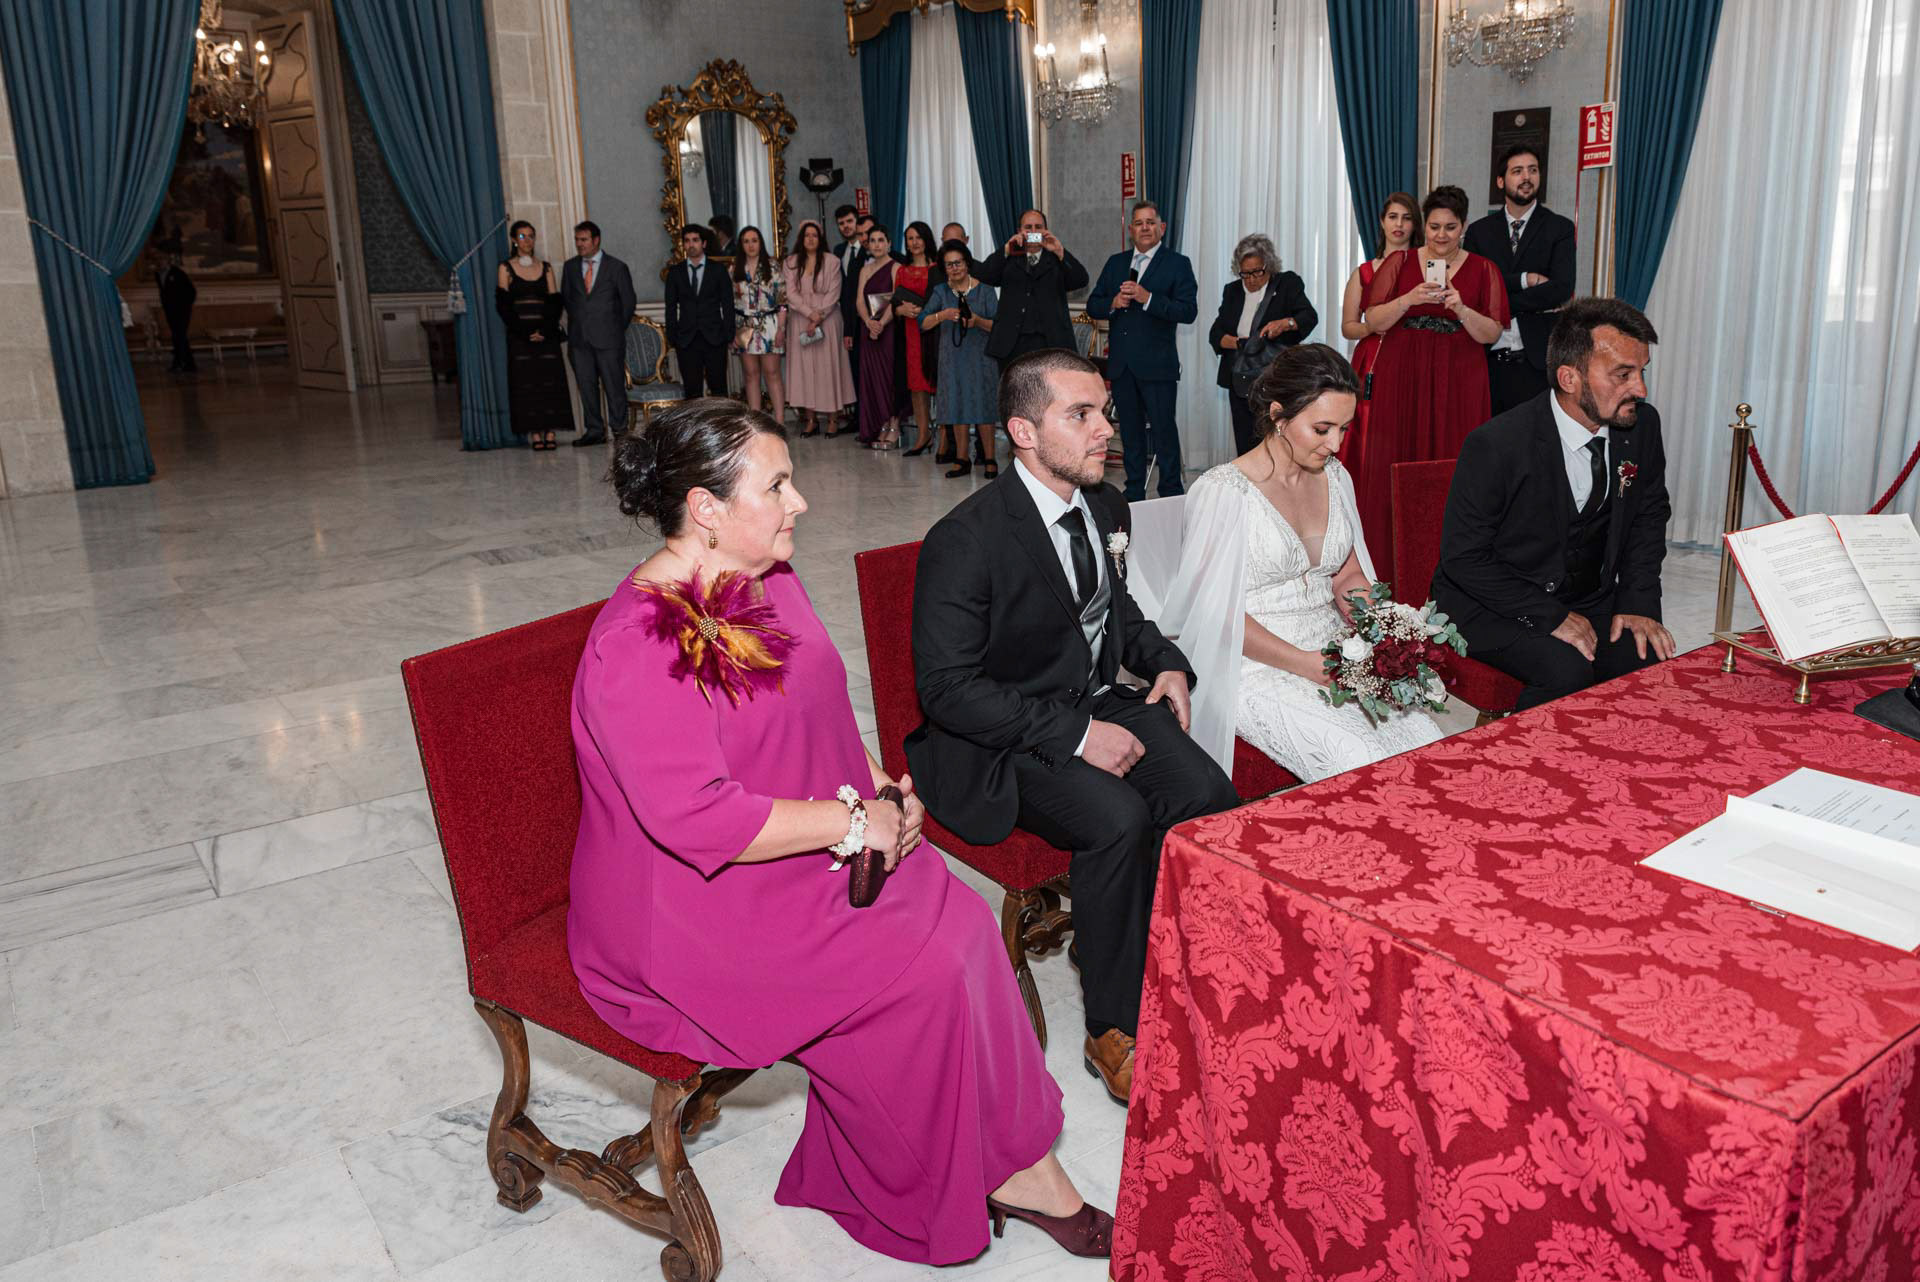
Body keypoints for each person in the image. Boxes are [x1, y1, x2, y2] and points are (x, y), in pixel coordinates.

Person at [570, 399, 1111, 1266]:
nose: (801, 502)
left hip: (809, 840)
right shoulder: (636, 646)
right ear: (705, 508)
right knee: (921, 974)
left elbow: (818, 710)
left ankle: (1009, 1155)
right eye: (777, 484)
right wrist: (855, 821)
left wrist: (881, 792)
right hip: (693, 906)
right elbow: (695, 816)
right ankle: (962, 1181)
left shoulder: (766, 577)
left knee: (967, 925)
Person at [907, 349, 1240, 1106]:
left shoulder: (1107, 506)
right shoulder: (967, 539)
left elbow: (1116, 611)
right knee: (1117, 818)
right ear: (1023, 430)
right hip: (1000, 737)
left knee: (1208, 794)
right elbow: (947, 690)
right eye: (1080, 416)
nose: (1104, 432)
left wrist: (1165, 661)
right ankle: (1112, 1025)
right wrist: (1079, 738)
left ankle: (1151, 954)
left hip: (1090, 699)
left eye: (1105, 413)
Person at [1158, 345, 1442, 783]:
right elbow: (1215, 615)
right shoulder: (1224, 492)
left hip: (1332, 647)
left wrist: (1379, 631)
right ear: (1279, 415)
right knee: (1361, 762)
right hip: (1253, 662)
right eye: (1322, 428)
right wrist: (1306, 664)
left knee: (1426, 741)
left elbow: (1346, 574)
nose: (1336, 445)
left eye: (1345, 429)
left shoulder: (1336, 477)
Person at [1434, 297, 1673, 711]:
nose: (1641, 389)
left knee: (1645, 656)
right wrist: (1548, 615)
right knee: (1566, 670)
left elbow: (1648, 518)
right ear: (1569, 378)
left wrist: (1638, 603)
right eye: (1623, 374)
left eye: (1641, 372)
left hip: (1588, 598)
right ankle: (1528, 770)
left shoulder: (1641, 428)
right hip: (1495, 605)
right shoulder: (1497, 444)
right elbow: (1464, 558)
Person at [1357, 185, 1510, 581]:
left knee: (1456, 463)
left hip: (1459, 374)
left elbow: (1490, 333)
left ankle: (1451, 568)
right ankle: (1389, 566)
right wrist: (1408, 299)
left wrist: (1459, 308)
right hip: (1402, 374)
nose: (1441, 235)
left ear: (1464, 228)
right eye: (1434, 226)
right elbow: (1372, 322)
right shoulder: (1400, 263)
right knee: (1396, 457)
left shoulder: (1484, 269)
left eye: (1450, 227)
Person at [1085, 201, 1199, 500]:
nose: (1145, 228)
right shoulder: (1115, 262)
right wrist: (1113, 303)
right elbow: (1093, 304)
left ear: (1161, 228)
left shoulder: (1177, 263)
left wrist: (1148, 298)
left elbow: (1188, 311)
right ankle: (1133, 491)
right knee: (1130, 435)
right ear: (1130, 229)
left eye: (1150, 222)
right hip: (1122, 366)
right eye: (1139, 223)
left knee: (1163, 433)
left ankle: (1171, 492)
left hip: (1158, 366)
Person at [1464, 145, 1576, 415]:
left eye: (1533, 170)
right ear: (1501, 181)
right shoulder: (1479, 232)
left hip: (1538, 360)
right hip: (1487, 359)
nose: (1527, 177)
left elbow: (1560, 288)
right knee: (1490, 446)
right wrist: (1524, 280)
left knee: (1535, 445)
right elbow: (1473, 289)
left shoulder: (1559, 228)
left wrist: (1500, 302)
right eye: (1517, 171)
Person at [1207, 233, 1317, 457]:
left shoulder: (1287, 283)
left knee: (1275, 439)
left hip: (1274, 376)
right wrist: (1238, 343)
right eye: (1245, 273)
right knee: (1245, 440)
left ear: (1270, 266)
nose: (1251, 279)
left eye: (1258, 272)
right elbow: (1215, 333)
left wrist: (1285, 323)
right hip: (1240, 376)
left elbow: (1308, 317)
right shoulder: (1233, 291)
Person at [1338, 192, 1420, 476]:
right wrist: (1373, 326)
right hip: (1373, 360)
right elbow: (1348, 326)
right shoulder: (1363, 272)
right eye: (1393, 217)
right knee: (1371, 435)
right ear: (1382, 222)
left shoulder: (1426, 268)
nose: (1399, 224)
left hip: (1415, 358)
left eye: (1407, 218)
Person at [921, 240, 998, 479]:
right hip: (951, 360)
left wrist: (977, 322)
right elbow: (922, 322)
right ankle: (961, 459)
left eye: (958, 263)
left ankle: (989, 458)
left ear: (967, 263)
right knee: (956, 406)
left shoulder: (985, 290)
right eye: (949, 265)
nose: (954, 268)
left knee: (983, 407)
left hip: (981, 358)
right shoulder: (940, 292)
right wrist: (942, 314)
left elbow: (998, 325)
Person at [974, 209, 1088, 370]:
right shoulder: (1009, 257)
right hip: (1012, 344)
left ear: (1046, 231)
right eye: (1028, 227)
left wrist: (1060, 252)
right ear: (1020, 231)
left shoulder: (1056, 258)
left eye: (1038, 227)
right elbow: (985, 274)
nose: (1034, 232)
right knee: (1014, 393)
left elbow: (1081, 280)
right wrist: (1006, 249)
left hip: (1051, 342)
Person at [559, 220, 638, 446]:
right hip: (579, 340)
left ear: (596, 240)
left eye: (583, 240)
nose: (579, 244)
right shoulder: (570, 267)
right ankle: (594, 430)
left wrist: (613, 328)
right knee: (586, 387)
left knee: (614, 386)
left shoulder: (616, 267)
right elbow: (568, 298)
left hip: (609, 339)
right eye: (577, 240)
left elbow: (628, 303)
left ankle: (620, 430)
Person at [496, 220, 569, 450]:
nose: (527, 241)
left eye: (530, 236)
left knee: (549, 384)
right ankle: (535, 434)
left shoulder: (545, 267)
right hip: (520, 338)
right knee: (527, 385)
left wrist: (543, 331)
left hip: (546, 337)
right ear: (513, 240)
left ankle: (550, 432)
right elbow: (504, 307)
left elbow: (554, 303)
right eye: (522, 236)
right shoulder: (505, 268)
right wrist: (526, 333)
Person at [784, 220, 855, 438]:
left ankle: (833, 419)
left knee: (828, 369)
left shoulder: (832, 261)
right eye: (807, 235)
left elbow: (835, 293)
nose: (811, 239)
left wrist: (819, 316)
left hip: (829, 321)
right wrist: (809, 314)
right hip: (801, 321)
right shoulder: (791, 262)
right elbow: (791, 293)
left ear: (821, 238)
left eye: (815, 235)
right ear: (801, 239)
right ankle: (811, 420)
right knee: (805, 371)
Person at [663, 224, 736, 402]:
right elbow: (670, 307)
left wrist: (729, 333)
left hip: (714, 337)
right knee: (691, 390)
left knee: (718, 388)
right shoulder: (675, 272)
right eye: (687, 241)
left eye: (695, 240)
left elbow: (728, 304)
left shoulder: (718, 270)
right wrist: (673, 336)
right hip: (686, 339)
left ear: (703, 243)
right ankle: (695, 429)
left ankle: (720, 427)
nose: (691, 245)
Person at [853, 222, 902, 448]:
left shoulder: (895, 267)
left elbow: (895, 300)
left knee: (889, 378)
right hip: (868, 330)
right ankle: (879, 424)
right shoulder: (865, 269)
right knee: (871, 379)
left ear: (889, 243)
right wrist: (868, 323)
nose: (876, 244)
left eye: (881, 240)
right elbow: (859, 301)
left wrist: (881, 324)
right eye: (872, 240)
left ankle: (894, 424)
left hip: (888, 330)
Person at [731, 226, 787, 424]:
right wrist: (733, 333)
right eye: (746, 241)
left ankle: (779, 421)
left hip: (770, 325)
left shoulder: (772, 267)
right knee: (750, 374)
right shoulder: (734, 268)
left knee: (772, 373)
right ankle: (756, 421)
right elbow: (729, 303)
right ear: (741, 245)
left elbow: (782, 302)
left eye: (754, 240)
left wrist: (781, 329)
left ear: (760, 243)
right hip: (744, 326)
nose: (750, 245)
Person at [896, 222, 941, 456]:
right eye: (909, 238)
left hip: (933, 330)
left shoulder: (937, 268)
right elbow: (894, 303)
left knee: (937, 383)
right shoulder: (902, 271)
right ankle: (923, 435)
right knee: (917, 385)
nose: (914, 243)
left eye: (917, 238)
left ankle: (943, 438)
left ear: (926, 239)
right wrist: (900, 311)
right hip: (911, 333)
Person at [835, 206, 869, 434]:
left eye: (849, 221)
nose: (846, 226)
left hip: (871, 317)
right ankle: (858, 418)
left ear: (856, 222)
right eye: (841, 223)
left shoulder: (868, 249)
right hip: (849, 320)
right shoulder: (838, 250)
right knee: (855, 371)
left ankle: (869, 419)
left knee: (870, 372)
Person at [156, 237, 197, 375]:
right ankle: (186, 363)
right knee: (178, 336)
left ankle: (181, 363)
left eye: (162, 259)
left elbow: (191, 291)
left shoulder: (178, 273)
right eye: (158, 259)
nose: (160, 261)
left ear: (167, 260)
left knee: (179, 336)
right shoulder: (158, 275)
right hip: (170, 310)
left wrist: (184, 305)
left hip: (182, 310)